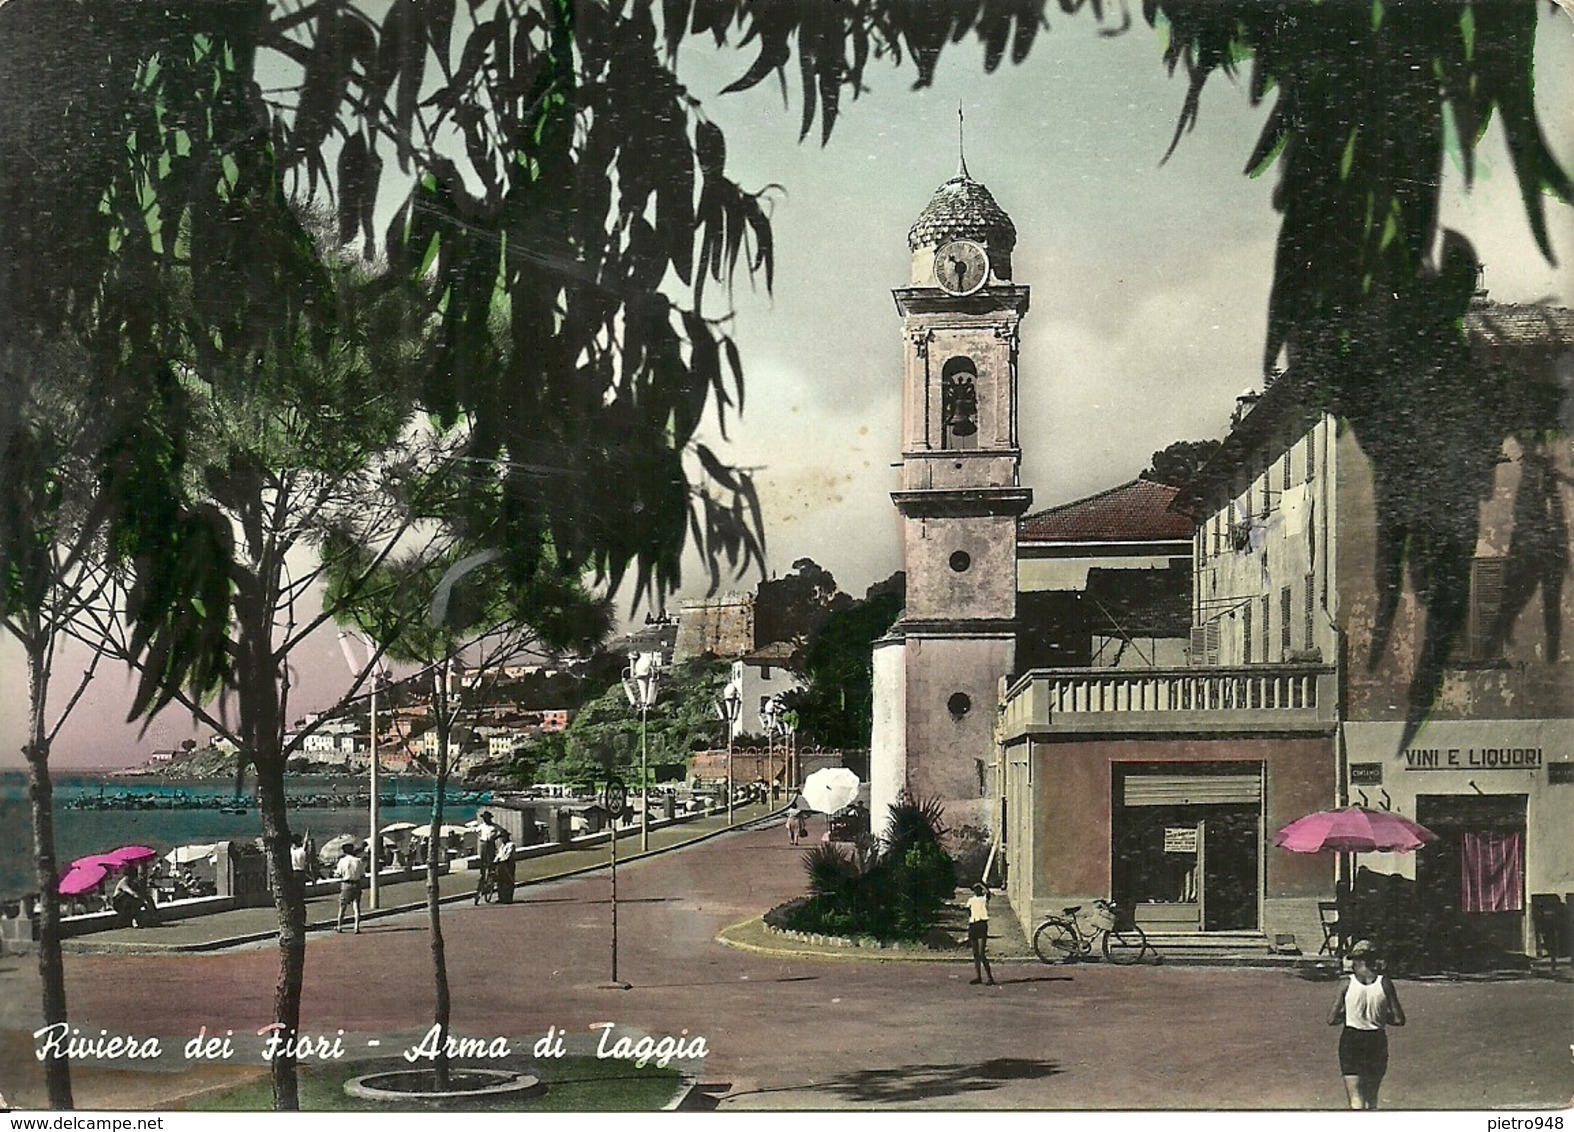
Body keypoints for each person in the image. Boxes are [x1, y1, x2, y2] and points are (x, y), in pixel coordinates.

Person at [1328, 938, 1405, 1109]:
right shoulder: (1384, 982)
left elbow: (1331, 1019)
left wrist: (1348, 1014)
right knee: (1372, 1097)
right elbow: (1399, 1019)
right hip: (1376, 1040)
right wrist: (1380, 1016)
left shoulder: (1346, 983)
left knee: (1355, 1098)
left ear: (1356, 960)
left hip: (1351, 1039)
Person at [966, 883, 996, 986]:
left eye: (978, 889)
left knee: (981, 953)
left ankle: (989, 977)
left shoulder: (984, 899)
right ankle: (978, 976)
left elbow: (988, 893)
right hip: (973, 924)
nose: (976, 891)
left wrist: (982, 885)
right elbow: (968, 911)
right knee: (975, 953)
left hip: (982, 924)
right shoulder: (971, 900)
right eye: (975, 889)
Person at [334, 843, 366, 934]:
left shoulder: (342, 861)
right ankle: (356, 927)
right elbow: (362, 874)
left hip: (346, 885)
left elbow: (338, 874)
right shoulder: (358, 861)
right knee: (356, 906)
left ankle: (339, 926)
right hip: (356, 884)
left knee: (342, 907)